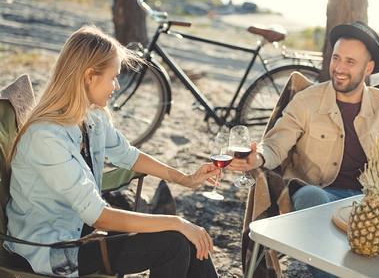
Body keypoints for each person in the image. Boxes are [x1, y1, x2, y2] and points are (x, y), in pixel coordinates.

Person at [230, 21, 379, 277]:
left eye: (350, 62)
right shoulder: (307, 100)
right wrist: (259, 156)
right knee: (310, 196)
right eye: (336, 58)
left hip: (375, 204)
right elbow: (278, 140)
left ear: (369, 68)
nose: (339, 68)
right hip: (322, 196)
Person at [4, 25, 220, 278]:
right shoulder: (46, 137)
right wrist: (176, 222)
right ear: (89, 76)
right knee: (174, 241)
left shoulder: (92, 118)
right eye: (113, 77)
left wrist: (185, 178)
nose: (117, 86)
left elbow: (129, 155)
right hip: (50, 250)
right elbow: (99, 216)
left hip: (79, 231)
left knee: (187, 241)